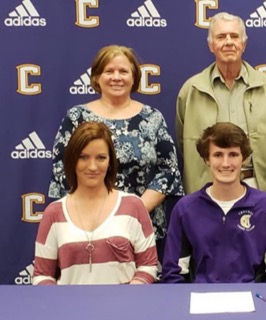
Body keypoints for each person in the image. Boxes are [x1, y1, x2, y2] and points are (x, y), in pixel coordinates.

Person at [48, 45, 184, 251]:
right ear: (96, 78)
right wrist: (100, 215)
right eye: (109, 71)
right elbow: (62, 169)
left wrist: (131, 212)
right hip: (85, 226)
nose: (116, 77)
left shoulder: (152, 118)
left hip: (139, 223)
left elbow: (168, 172)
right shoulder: (77, 117)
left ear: (134, 77)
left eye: (123, 71)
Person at [162, 122, 266, 283]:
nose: (225, 163)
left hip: (253, 301)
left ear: (244, 158)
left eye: (233, 154)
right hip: (201, 301)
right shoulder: (185, 209)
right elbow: (173, 274)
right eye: (218, 155)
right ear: (206, 159)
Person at [176, 12, 266, 196]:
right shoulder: (192, 89)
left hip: (256, 186)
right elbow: (183, 142)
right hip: (206, 188)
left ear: (243, 43)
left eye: (234, 36)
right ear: (211, 45)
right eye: (221, 37)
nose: (228, 42)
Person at [33, 122, 158, 285]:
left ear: (110, 162)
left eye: (101, 158)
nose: (92, 166)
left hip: (124, 308)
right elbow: (42, 276)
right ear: (72, 160)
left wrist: (128, 296)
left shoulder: (133, 206)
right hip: (71, 309)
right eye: (83, 157)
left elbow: (148, 266)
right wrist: (61, 305)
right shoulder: (53, 213)